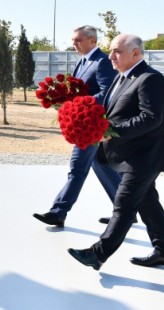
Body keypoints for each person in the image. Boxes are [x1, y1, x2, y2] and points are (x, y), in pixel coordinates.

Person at [68, 34, 164, 271]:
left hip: (144, 157)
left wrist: (111, 131)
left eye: (117, 51)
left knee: (124, 206)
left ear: (136, 53)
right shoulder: (123, 77)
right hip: (127, 155)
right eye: (110, 51)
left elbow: (151, 118)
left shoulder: (151, 79)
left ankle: (97, 254)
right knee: (148, 204)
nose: (110, 57)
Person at [33, 26, 120, 228]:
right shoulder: (82, 61)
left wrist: (78, 105)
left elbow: (108, 94)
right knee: (101, 165)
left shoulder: (102, 62)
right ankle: (124, 209)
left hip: (94, 125)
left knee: (77, 168)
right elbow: (77, 91)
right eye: (73, 40)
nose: (74, 44)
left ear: (92, 41)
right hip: (84, 122)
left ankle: (58, 212)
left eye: (78, 40)